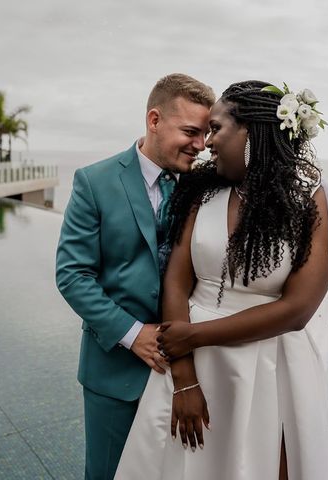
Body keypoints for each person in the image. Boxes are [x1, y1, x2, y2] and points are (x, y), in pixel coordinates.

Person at [115, 81, 328, 479]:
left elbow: (297, 310)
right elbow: (177, 283)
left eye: (216, 129)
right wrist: (184, 381)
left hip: (271, 365)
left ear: (249, 130)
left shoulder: (311, 201)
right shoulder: (200, 191)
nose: (207, 142)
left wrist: (194, 335)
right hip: (190, 364)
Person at [55, 73, 215, 480]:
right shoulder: (94, 181)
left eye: (207, 133)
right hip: (114, 372)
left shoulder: (202, 189)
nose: (201, 145)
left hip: (188, 370)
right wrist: (132, 333)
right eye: (191, 132)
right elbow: (73, 275)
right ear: (155, 120)